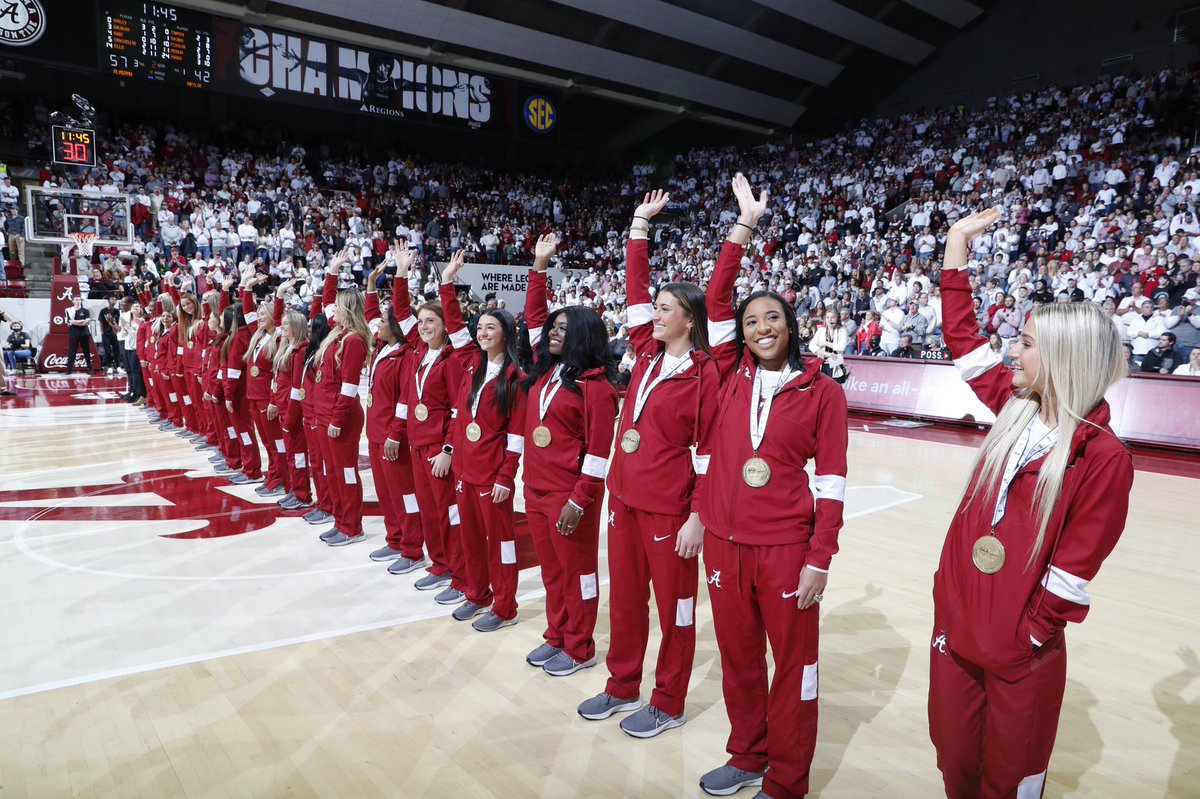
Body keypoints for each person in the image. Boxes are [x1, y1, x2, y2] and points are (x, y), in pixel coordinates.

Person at [930, 206, 1133, 799]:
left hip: (1021, 649)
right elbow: (961, 336)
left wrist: (1029, 637)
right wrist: (955, 247)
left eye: (1024, 344)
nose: (1010, 355)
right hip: (958, 627)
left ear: (1065, 357)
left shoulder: (1102, 456)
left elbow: (1074, 569)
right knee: (954, 759)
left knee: (1010, 779)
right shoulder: (1011, 406)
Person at [697, 173, 849, 799]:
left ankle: (788, 779)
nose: (761, 326)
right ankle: (747, 752)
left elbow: (833, 481)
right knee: (737, 657)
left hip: (786, 547)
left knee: (794, 668)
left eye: (772, 318)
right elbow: (713, 299)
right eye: (751, 319)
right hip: (723, 543)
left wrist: (821, 558)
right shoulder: (728, 371)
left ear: (790, 327)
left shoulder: (823, 392)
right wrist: (745, 225)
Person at [577, 190, 718, 737]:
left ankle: (669, 699)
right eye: (655, 307)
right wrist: (638, 225)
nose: (654, 313)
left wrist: (697, 516)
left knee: (678, 607)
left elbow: (708, 452)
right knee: (628, 601)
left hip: (670, 509)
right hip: (625, 498)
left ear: (689, 319)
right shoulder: (643, 352)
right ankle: (620, 684)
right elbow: (635, 289)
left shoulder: (705, 372)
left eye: (666, 308)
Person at [521, 233, 620, 677]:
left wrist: (580, 499)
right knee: (552, 572)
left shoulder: (597, 388)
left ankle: (580, 647)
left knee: (578, 571)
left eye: (563, 329)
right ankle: (557, 635)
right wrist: (539, 266)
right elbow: (534, 317)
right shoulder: (547, 370)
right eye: (553, 329)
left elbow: (599, 454)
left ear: (582, 335)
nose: (553, 333)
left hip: (570, 495)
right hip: (536, 487)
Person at [437, 249, 527, 629]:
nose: (482, 333)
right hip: (464, 470)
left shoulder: (515, 379)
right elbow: (455, 325)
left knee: (501, 544)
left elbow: (518, 436)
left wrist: (507, 477)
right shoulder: (472, 364)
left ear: (506, 332)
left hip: (493, 477)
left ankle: (505, 606)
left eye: (491, 327)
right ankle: (477, 594)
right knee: (471, 540)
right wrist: (447, 281)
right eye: (480, 328)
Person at [361, 250, 427, 574]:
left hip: (392, 436)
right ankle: (395, 538)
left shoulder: (406, 355)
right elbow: (372, 311)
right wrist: (372, 283)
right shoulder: (381, 347)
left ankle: (413, 548)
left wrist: (394, 434)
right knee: (386, 492)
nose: (377, 325)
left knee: (405, 493)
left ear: (396, 328)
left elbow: (404, 399)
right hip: (374, 432)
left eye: (384, 323)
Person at [312, 249, 373, 545]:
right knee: (332, 471)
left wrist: (337, 418)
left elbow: (349, 387)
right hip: (325, 415)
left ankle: (353, 526)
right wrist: (332, 270)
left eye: (336, 306)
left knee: (346, 471)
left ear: (346, 309)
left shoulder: (354, 340)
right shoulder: (337, 333)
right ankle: (340, 519)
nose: (331, 310)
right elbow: (325, 301)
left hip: (341, 417)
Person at [65, 296, 96, 374]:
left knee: (86, 351)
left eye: (79, 299)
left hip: (84, 333)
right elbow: (70, 322)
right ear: (73, 301)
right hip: (74, 333)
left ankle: (90, 368)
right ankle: (69, 370)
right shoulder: (69, 310)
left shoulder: (85, 311)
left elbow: (87, 322)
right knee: (72, 351)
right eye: (76, 300)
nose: (78, 301)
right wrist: (81, 321)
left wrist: (76, 322)